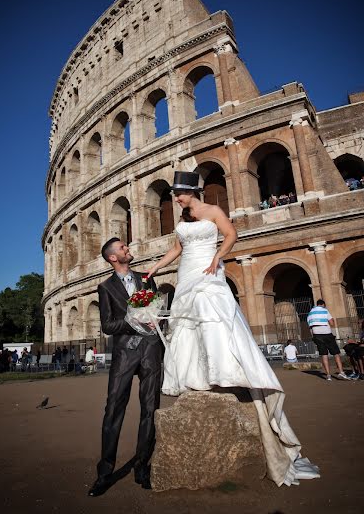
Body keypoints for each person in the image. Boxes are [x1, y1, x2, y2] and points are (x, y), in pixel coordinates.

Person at [147, 170, 319, 487]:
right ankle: (195, 376)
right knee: (188, 323)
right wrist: (156, 267)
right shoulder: (182, 218)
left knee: (212, 319)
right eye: (174, 195)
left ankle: (221, 372)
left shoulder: (212, 210)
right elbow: (177, 248)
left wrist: (217, 258)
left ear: (190, 191)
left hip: (208, 269)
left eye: (179, 194)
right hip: (187, 272)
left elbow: (231, 235)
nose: (176, 199)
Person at [89, 237, 162, 497]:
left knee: (150, 407)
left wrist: (154, 319)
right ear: (112, 258)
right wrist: (135, 320)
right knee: (113, 409)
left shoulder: (146, 277)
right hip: (124, 354)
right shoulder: (106, 287)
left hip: (151, 350)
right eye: (122, 248)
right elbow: (108, 325)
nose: (127, 249)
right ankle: (105, 473)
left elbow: (156, 306)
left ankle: (142, 465)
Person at [307, 299, 350, 381]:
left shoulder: (310, 313)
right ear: (323, 304)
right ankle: (341, 372)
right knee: (336, 353)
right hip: (327, 334)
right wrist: (332, 320)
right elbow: (331, 323)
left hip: (317, 335)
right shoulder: (325, 311)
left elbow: (310, 327)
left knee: (324, 355)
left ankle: (328, 375)